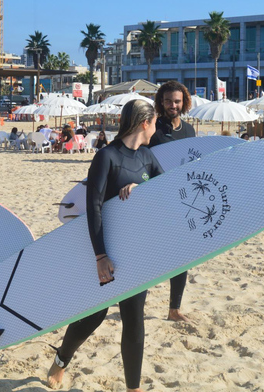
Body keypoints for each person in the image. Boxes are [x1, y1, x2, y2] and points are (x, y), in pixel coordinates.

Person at [47, 99, 163, 392]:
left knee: (134, 317)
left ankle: (132, 388)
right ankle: (61, 360)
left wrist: (142, 188)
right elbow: (94, 207)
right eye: (154, 122)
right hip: (106, 250)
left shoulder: (148, 157)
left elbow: (167, 192)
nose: (155, 127)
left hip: (137, 251)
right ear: (143, 122)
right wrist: (100, 255)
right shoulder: (106, 157)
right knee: (94, 315)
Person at [147, 80, 194, 323]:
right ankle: (135, 305)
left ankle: (174, 310)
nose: (172, 105)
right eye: (167, 101)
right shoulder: (152, 128)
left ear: (184, 102)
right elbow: (141, 161)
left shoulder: (189, 131)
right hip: (156, 199)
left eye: (176, 101)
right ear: (161, 102)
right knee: (148, 254)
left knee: (182, 255)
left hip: (181, 200)